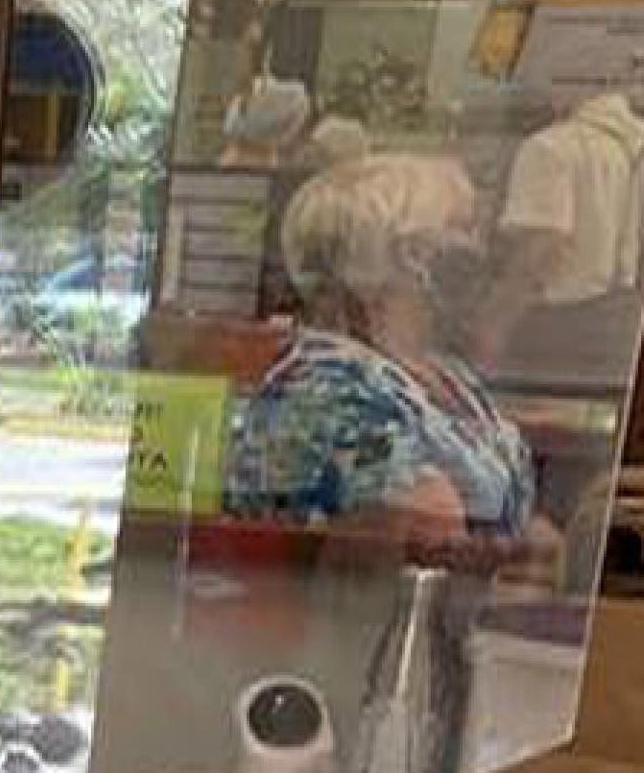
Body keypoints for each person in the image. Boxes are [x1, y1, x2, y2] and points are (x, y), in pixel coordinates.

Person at [232, 152, 545, 547]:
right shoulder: (326, 389)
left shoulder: (443, 375)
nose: (480, 250)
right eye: (462, 229)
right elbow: (428, 531)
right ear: (406, 256)